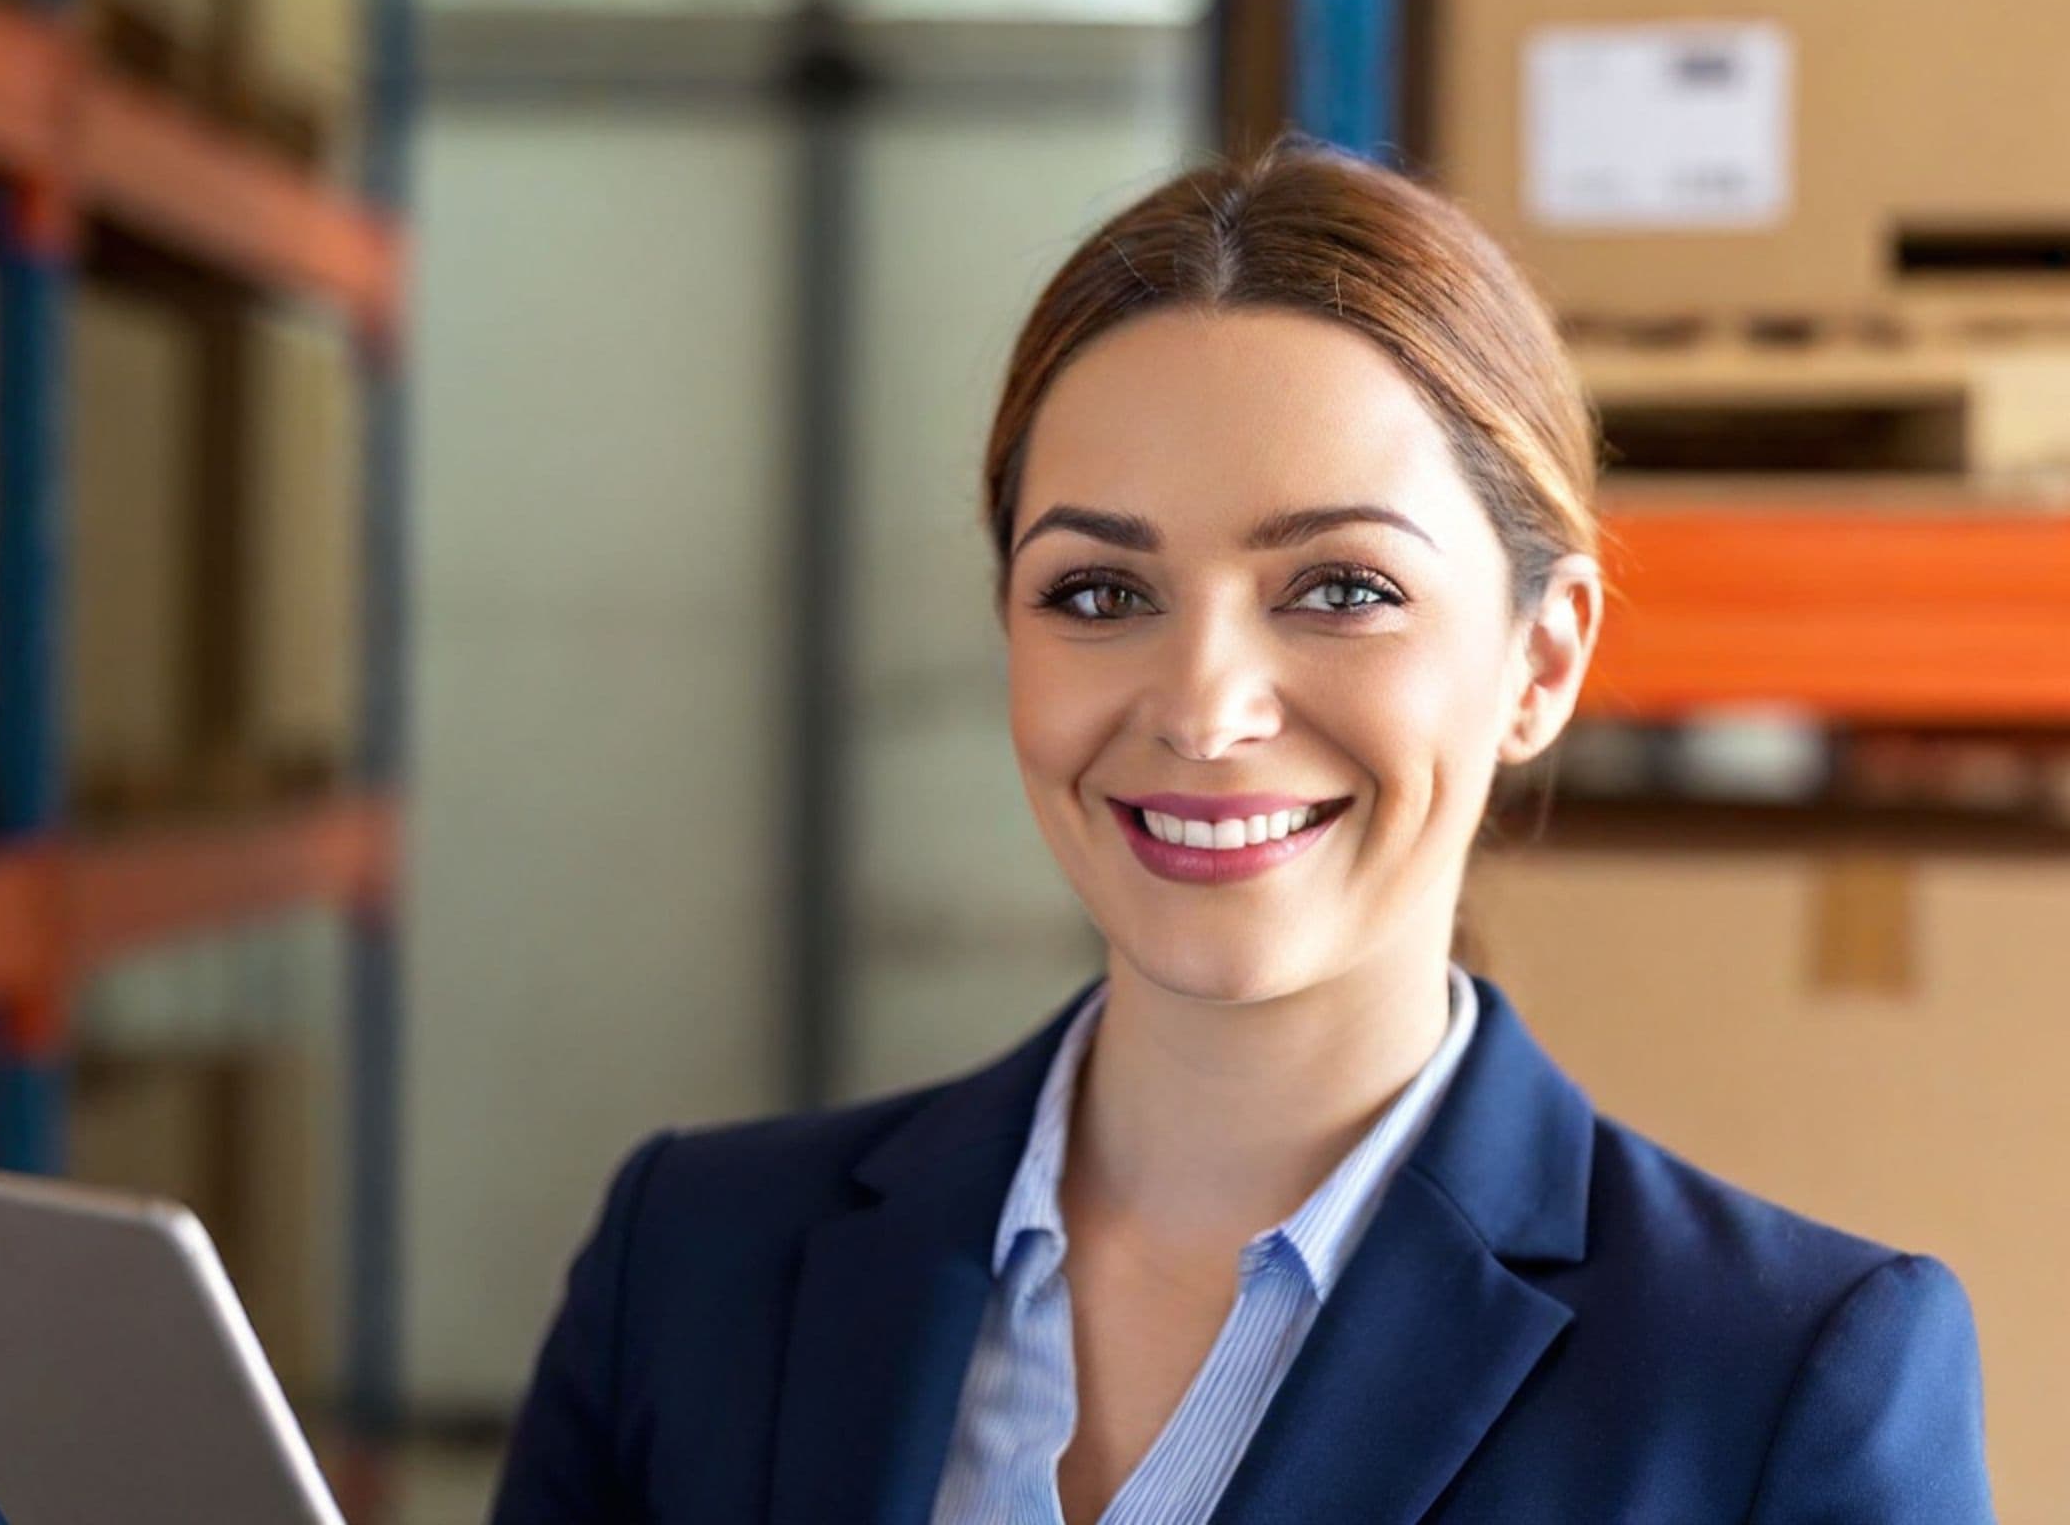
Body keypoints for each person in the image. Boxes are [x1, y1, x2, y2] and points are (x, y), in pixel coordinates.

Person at [486, 141, 1997, 1525]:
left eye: (1340, 588)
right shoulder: (690, 1266)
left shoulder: (1780, 1386)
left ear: (1543, 660)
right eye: (1099, 595)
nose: (1203, 709)